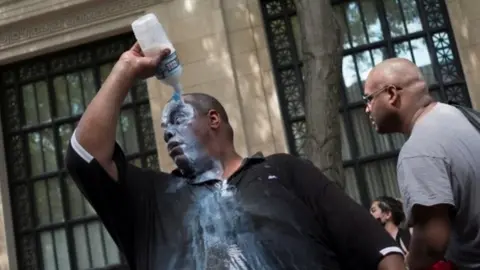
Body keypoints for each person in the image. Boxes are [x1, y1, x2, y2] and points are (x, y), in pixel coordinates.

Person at [65, 42, 406, 270]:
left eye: (178, 120)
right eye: (163, 129)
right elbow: (84, 155)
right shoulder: (151, 201)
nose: (168, 133)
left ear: (214, 119)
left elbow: (381, 251)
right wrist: (126, 68)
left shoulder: (285, 173)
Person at [364, 57, 480, 270]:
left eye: (369, 99)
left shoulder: (417, 151)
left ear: (391, 94)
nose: (367, 109)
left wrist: (408, 266)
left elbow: (432, 241)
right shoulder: (464, 116)